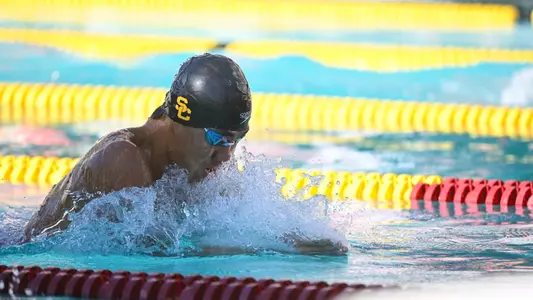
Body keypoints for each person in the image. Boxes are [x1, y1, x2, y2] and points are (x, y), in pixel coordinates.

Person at [22, 53, 348, 256]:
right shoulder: (123, 158)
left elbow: (229, 223)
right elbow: (154, 252)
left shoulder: (189, 167)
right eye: (217, 138)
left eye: (235, 141)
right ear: (179, 121)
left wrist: (298, 236)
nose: (225, 157)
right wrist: (277, 247)